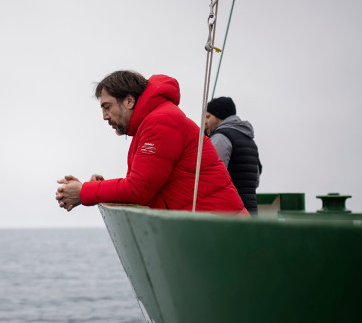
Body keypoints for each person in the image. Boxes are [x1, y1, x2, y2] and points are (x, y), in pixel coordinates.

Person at [55, 70, 247, 215]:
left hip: (223, 230)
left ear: (129, 101)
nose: (104, 116)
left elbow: (139, 190)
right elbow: (147, 186)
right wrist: (100, 188)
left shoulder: (160, 122)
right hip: (213, 225)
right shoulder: (154, 122)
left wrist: (84, 192)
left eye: (107, 107)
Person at [205, 97, 262, 214]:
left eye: (208, 117)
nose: (205, 122)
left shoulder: (220, 138)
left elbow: (210, 177)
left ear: (219, 116)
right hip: (250, 211)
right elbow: (255, 181)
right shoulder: (249, 139)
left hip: (230, 213)